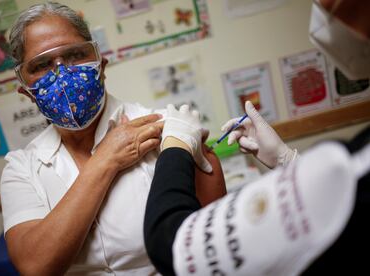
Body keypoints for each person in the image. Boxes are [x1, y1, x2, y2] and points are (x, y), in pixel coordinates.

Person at [144, 0, 370, 274]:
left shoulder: (355, 168)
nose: (322, 5)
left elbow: (170, 245)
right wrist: (287, 160)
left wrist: (176, 145)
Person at [0, 2, 226, 275]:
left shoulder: (170, 133)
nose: (62, 73)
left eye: (74, 55)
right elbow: (36, 266)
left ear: (100, 64)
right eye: (42, 64)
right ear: (26, 91)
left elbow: (213, 250)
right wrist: (105, 160)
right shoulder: (21, 168)